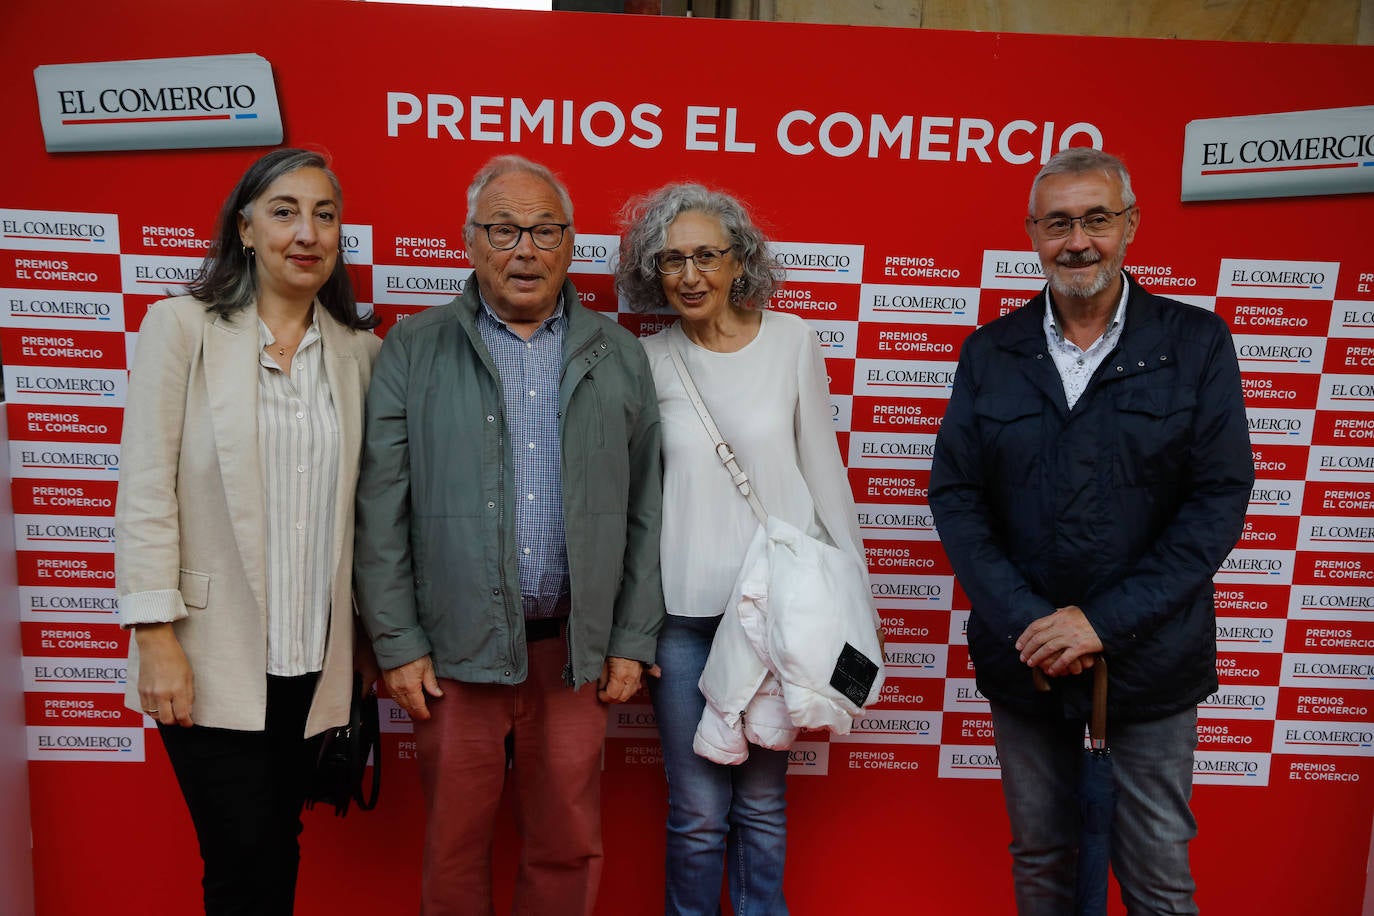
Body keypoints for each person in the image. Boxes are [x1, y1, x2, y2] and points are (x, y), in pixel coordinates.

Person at [929, 147, 1254, 914]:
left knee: (1158, 878)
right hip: (1027, 661)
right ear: (1033, 233)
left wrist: (1099, 623)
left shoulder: (1196, 343)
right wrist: (1033, 624)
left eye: (1097, 219)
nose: (1078, 240)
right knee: (1042, 862)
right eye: (1059, 223)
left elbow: (1217, 501)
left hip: (1151, 664)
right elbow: (958, 498)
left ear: (1131, 225)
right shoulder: (990, 352)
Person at [353, 154, 664, 916]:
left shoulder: (618, 352)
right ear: (469, 241)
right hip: (451, 659)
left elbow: (648, 507)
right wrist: (395, 642)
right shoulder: (416, 348)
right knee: (454, 847)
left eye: (544, 230)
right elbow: (379, 507)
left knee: (567, 843)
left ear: (569, 244)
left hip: (574, 656)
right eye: (503, 229)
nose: (524, 248)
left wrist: (630, 637)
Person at [114, 147, 382, 914]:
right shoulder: (181, 328)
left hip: (315, 659)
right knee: (241, 855)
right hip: (207, 655)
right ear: (245, 229)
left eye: (325, 215)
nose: (308, 232)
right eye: (285, 211)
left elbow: (368, 513)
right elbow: (145, 489)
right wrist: (154, 634)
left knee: (276, 844)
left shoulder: (360, 353)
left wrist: (370, 641)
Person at [616, 183, 872, 916]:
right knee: (697, 818)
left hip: (779, 620)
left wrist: (856, 591)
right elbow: (639, 506)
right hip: (686, 622)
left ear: (740, 262)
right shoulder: (647, 359)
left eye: (706, 256)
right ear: (651, 272)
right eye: (671, 261)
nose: (689, 275)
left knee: (760, 808)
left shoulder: (792, 340)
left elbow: (825, 472)